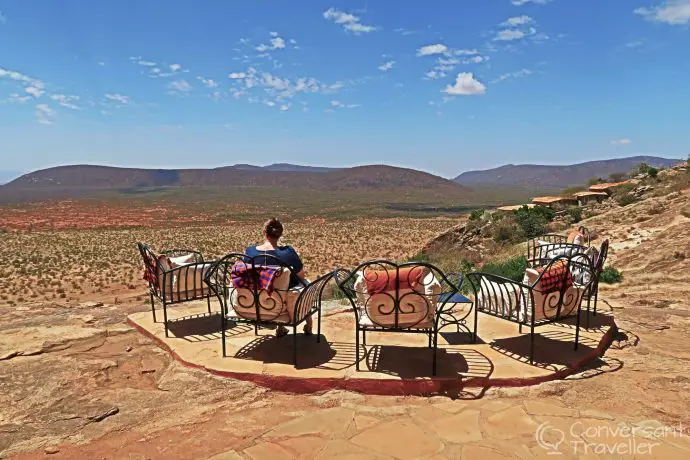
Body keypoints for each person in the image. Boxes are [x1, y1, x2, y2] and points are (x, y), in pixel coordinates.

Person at [245, 218, 311, 337]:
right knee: (302, 284)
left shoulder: (250, 252)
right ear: (280, 234)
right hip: (278, 305)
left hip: (250, 303)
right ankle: (309, 324)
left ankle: (280, 327)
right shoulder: (287, 252)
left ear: (264, 233)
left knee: (275, 285)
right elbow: (301, 276)